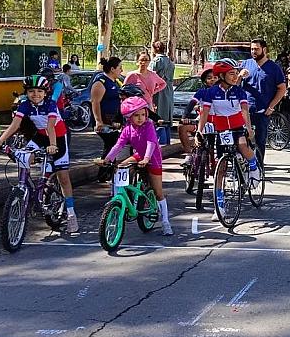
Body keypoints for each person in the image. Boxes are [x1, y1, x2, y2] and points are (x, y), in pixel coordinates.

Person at [0, 75, 79, 233]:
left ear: (45, 93)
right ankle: (25, 188)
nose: (36, 94)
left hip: (57, 138)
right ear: (26, 92)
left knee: (63, 177)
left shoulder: (50, 105)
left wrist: (52, 145)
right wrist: (0, 141)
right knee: (24, 158)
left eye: (39, 91)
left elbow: (50, 126)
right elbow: (15, 125)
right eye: (31, 91)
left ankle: (72, 214)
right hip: (40, 136)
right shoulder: (25, 105)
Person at [104, 96, 174, 235]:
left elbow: (151, 144)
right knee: (120, 167)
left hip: (152, 158)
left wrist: (147, 158)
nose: (140, 118)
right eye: (136, 115)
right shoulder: (127, 129)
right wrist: (107, 159)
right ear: (129, 117)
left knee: (158, 192)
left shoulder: (149, 126)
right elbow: (119, 145)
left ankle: (166, 221)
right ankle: (119, 197)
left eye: (143, 114)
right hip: (139, 156)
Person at [196, 58, 261, 197]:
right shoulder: (211, 92)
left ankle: (254, 167)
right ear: (221, 76)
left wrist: (249, 129)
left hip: (237, 125)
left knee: (242, 145)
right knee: (221, 168)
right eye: (231, 73)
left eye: (236, 73)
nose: (235, 76)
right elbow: (205, 112)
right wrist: (199, 131)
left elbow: (244, 111)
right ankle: (219, 204)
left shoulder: (239, 92)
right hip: (221, 129)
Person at [240, 38, 287, 164]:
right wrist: (240, 76)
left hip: (263, 111)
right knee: (242, 141)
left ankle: (258, 169)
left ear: (264, 50)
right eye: (252, 49)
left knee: (260, 141)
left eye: (256, 49)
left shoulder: (274, 68)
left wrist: (272, 106)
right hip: (245, 110)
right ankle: (243, 169)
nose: (253, 52)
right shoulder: (246, 64)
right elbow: (235, 84)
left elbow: (282, 88)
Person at [90, 57, 123, 180]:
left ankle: (106, 173)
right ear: (112, 69)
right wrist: (99, 121)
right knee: (112, 142)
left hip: (113, 120)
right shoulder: (100, 82)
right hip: (103, 120)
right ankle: (104, 173)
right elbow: (95, 102)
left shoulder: (114, 82)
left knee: (112, 143)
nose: (121, 70)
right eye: (119, 67)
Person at [179, 69, 217, 164]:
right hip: (202, 121)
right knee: (181, 127)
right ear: (204, 81)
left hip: (218, 122)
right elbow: (191, 104)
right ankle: (189, 155)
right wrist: (185, 117)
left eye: (215, 77)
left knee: (212, 151)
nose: (212, 80)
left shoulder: (223, 92)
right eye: (209, 78)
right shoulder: (201, 92)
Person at [149, 41, 175, 124]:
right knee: (167, 114)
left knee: (158, 114)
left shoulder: (157, 60)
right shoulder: (170, 62)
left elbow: (149, 75)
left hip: (158, 90)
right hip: (169, 89)